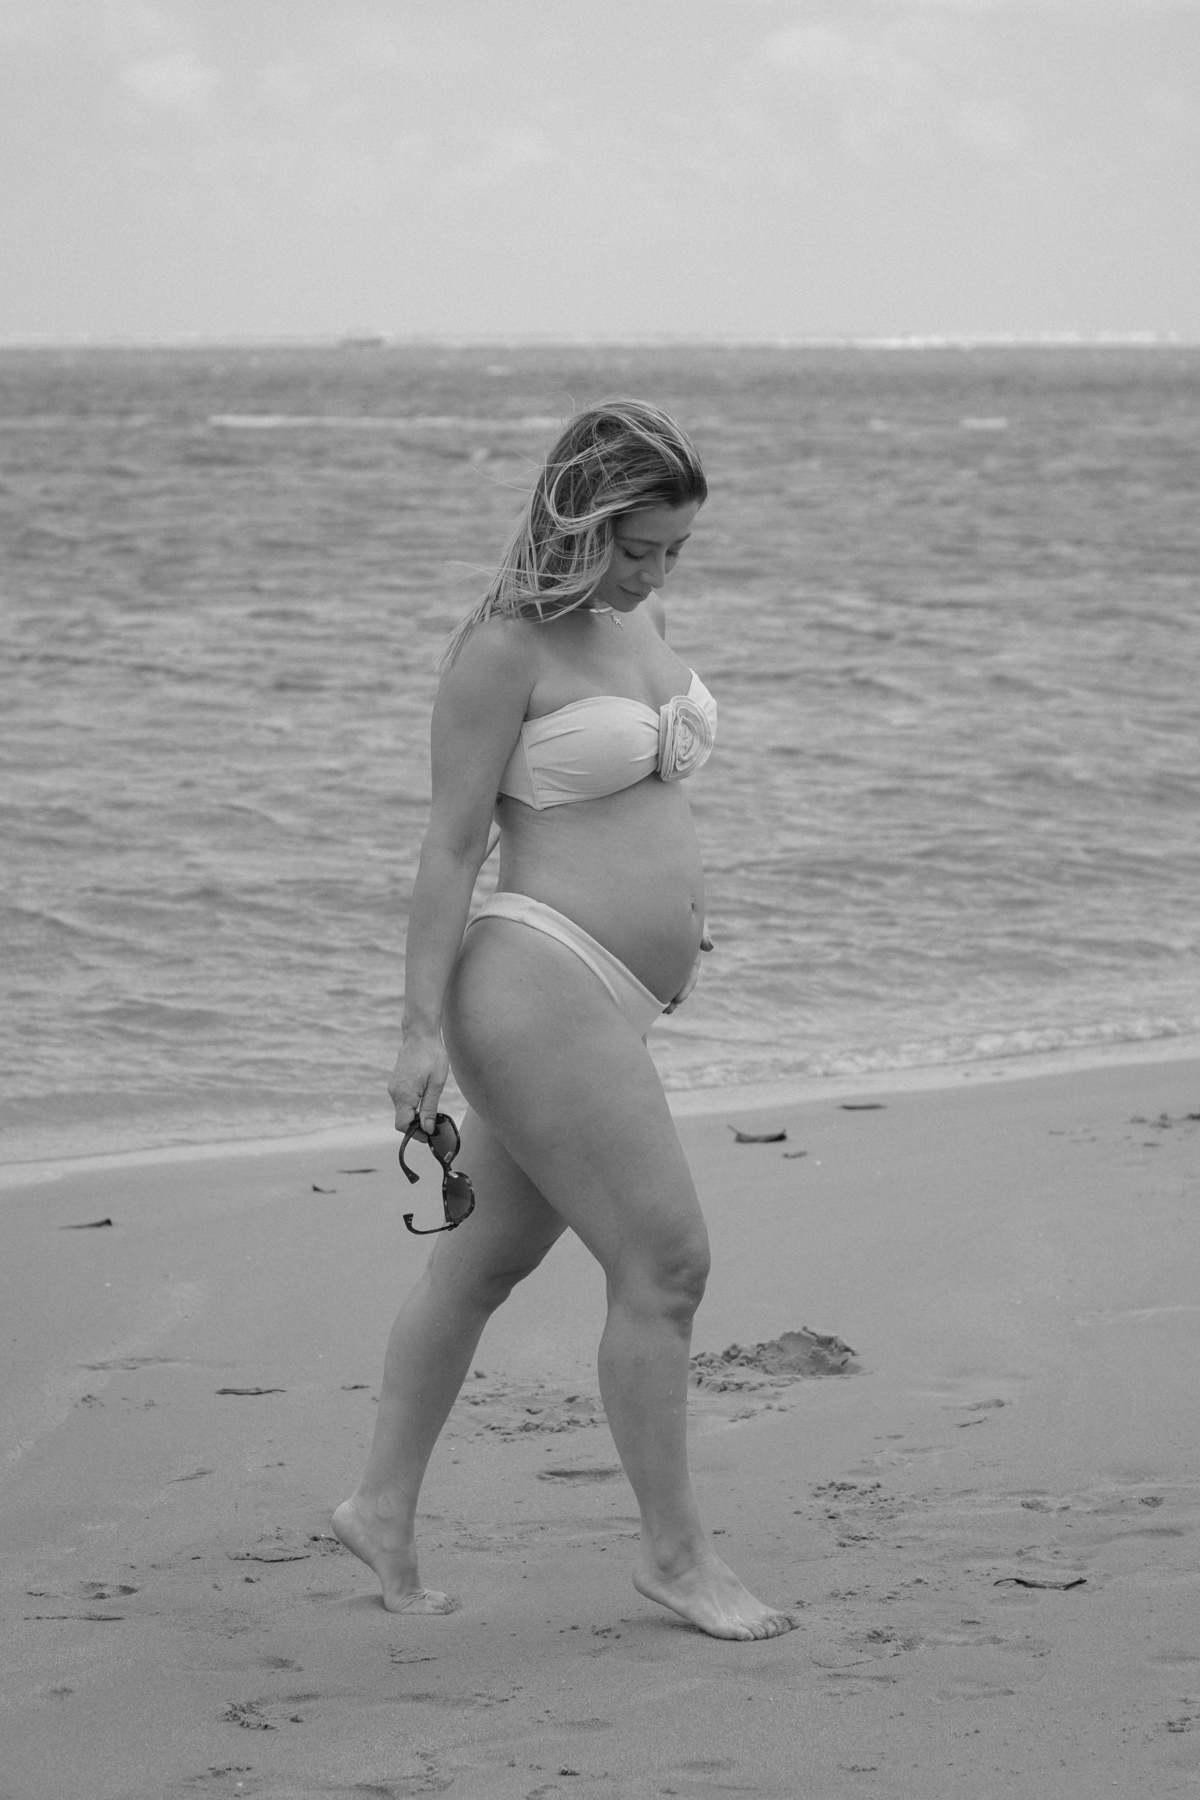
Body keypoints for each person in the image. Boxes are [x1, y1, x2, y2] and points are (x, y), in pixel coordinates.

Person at [333, 400, 793, 1641]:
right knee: (667, 1266)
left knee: (481, 1264)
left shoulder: (640, 617)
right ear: (581, 519)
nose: (656, 573)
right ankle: (676, 1557)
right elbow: (449, 847)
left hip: (613, 996)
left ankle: (380, 1506)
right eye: (638, 547)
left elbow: (636, 799)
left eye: (676, 550)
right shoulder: (502, 648)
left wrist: (681, 916)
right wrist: (417, 1032)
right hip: (536, 980)